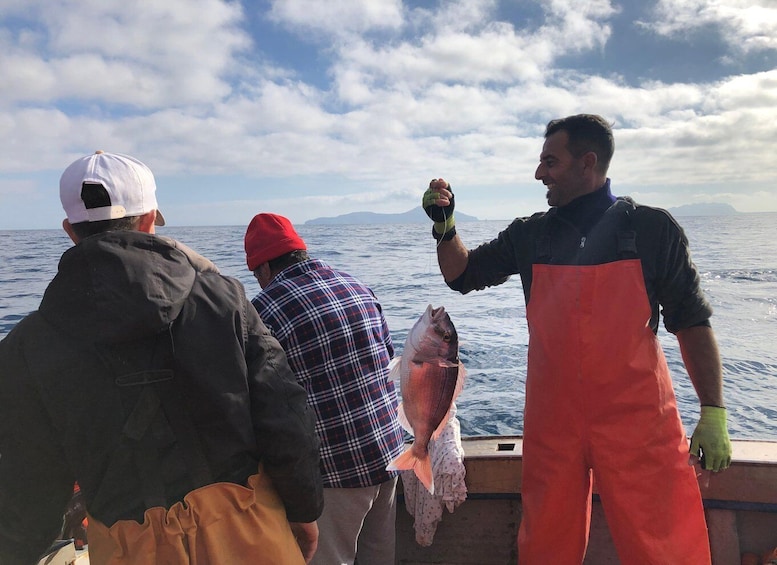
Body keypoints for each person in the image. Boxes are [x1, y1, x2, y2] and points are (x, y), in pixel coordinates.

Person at [422, 114, 733, 563]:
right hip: (553, 422)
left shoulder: (650, 229)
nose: (539, 173)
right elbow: (462, 274)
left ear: (587, 164)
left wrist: (714, 412)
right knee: (547, 545)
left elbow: (692, 322)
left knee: (666, 545)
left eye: (550, 161)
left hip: (639, 420)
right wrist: (445, 226)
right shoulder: (531, 234)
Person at [0, 151, 323, 565]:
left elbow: (29, 485)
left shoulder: (26, 347)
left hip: (128, 551)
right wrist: (304, 512)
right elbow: (284, 416)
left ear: (69, 230)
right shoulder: (224, 300)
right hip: (249, 534)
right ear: (150, 219)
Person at [244, 213, 405, 565]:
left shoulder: (263, 310)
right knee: (380, 557)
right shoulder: (356, 285)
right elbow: (389, 360)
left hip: (336, 471)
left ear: (264, 269)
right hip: (391, 453)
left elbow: (258, 400)